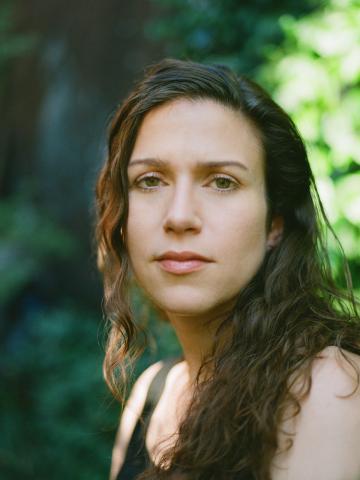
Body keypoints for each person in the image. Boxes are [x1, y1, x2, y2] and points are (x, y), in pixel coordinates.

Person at [95, 59, 360, 480]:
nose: (179, 216)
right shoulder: (149, 395)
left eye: (222, 182)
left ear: (275, 223)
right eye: (150, 180)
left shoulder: (326, 388)